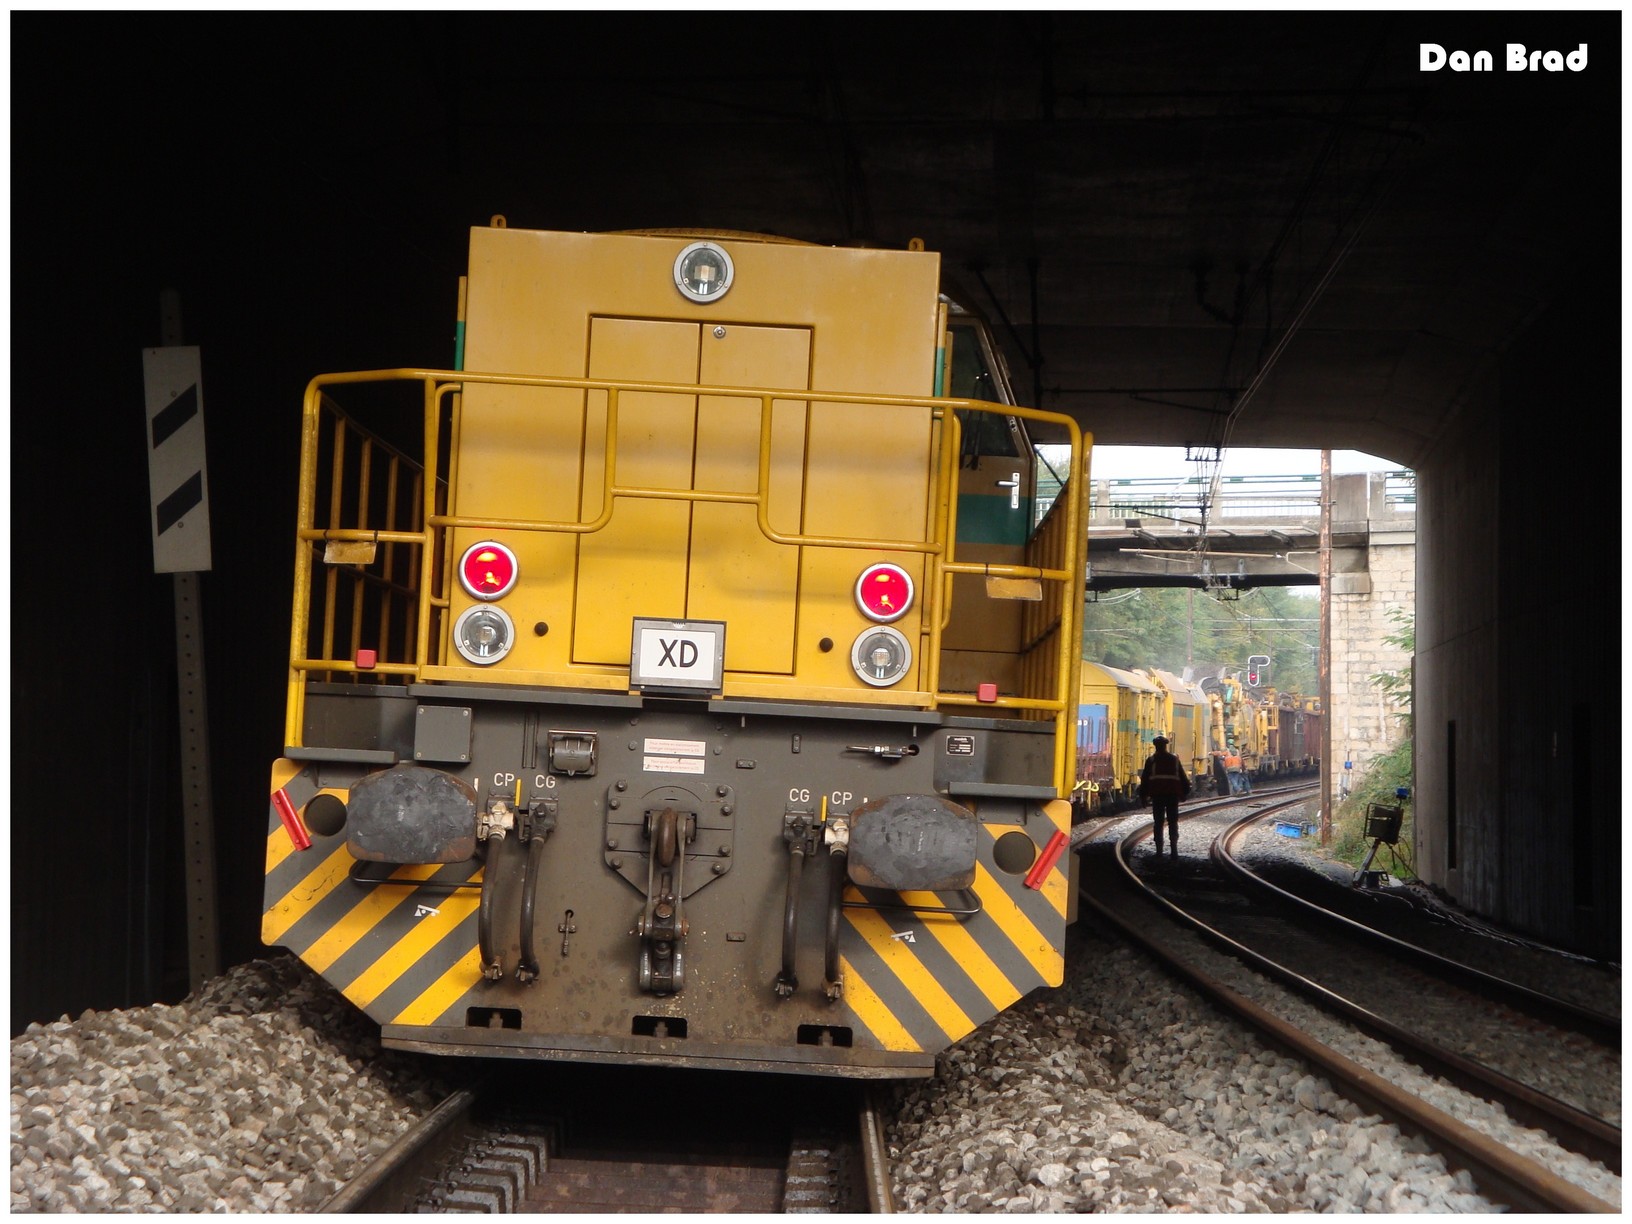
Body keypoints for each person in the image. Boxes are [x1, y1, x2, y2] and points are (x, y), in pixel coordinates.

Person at [1138, 735, 1191, 856]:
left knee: (1158, 822)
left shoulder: (1151, 760)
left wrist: (1143, 797)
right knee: (1173, 822)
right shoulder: (1174, 760)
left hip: (1157, 795)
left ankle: (1159, 851)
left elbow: (1145, 780)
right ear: (1166, 746)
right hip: (1172, 795)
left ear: (1155, 746)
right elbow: (1183, 777)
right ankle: (1174, 850)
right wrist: (1185, 793)